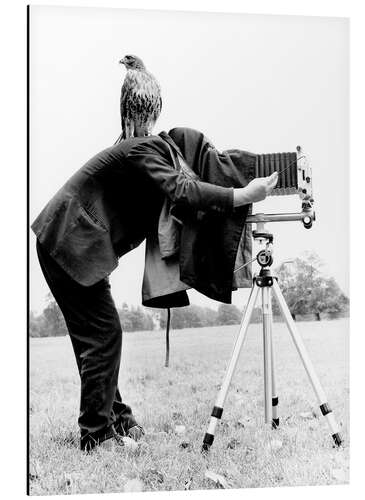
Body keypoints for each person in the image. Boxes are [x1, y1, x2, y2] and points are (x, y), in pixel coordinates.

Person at [32, 128, 278, 451]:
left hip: (76, 241)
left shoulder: (149, 151)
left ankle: (118, 418)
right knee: (104, 335)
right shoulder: (149, 149)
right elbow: (184, 190)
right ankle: (96, 434)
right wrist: (244, 195)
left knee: (95, 337)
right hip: (71, 239)